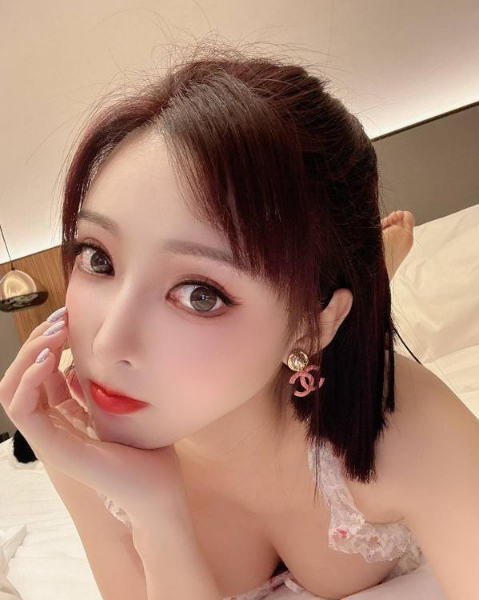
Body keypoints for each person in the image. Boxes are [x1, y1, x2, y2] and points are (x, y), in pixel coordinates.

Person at [3, 42, 477, 600]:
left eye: (200, 295)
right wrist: (156, 513)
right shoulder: (74, 430)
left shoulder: (401, 420)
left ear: (312, 323)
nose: (105, 345)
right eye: (98, 258)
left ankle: (376, 273)